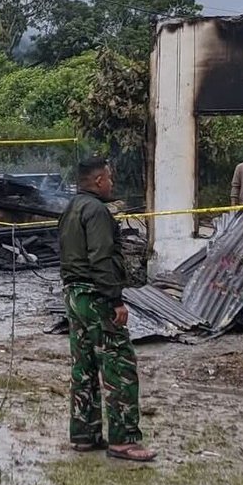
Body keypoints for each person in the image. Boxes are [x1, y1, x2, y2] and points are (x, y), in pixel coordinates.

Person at [59, 156, 155, 462]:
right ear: (99, 181)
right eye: (109, 178)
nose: (112, 183)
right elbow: (101, 258)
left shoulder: (72, 208)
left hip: (74, 295)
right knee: (119, 366)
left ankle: (84, 434)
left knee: (83, 365)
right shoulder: (97, 211)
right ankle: (125, 440)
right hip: (96, 295)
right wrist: (115, 299)